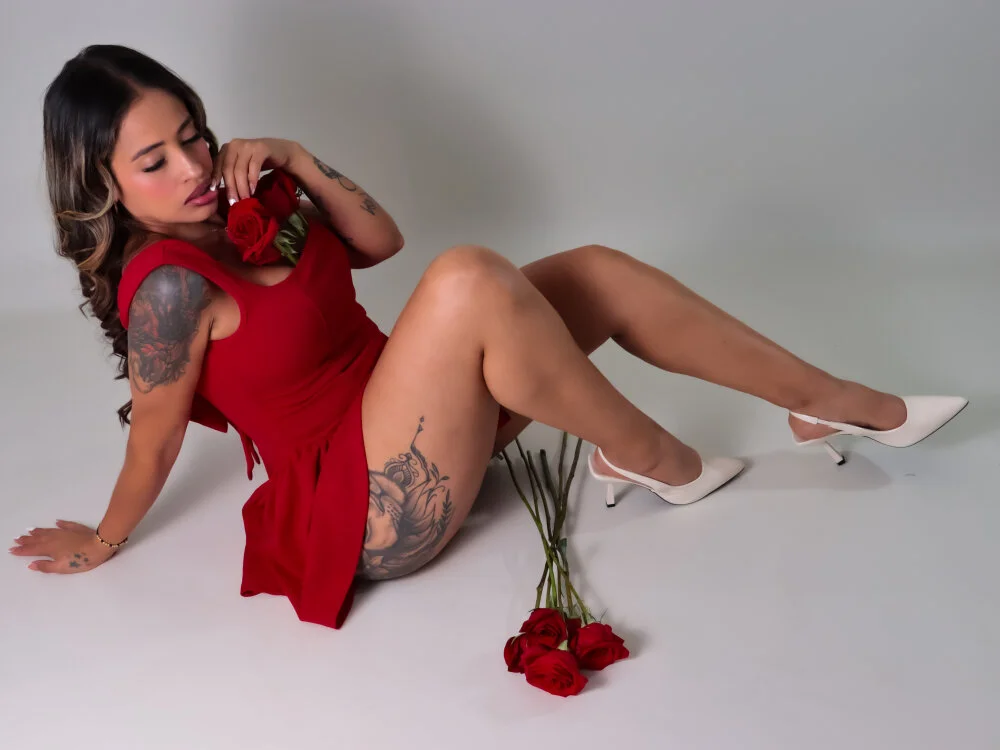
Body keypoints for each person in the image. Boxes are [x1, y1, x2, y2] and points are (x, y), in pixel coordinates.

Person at [10, 45, 967, 630]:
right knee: (468, 276)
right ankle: (656, 457)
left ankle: (823, 402)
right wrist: (103, 538)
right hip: (369, 508)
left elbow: (380, 242)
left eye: (192, 134)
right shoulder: (169, 287)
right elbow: (157, 438)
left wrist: (296, 159)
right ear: (104, 185)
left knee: (592, 269)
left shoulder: (243, 199)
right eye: (155, 160)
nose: (192, 167)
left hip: (417, 416)